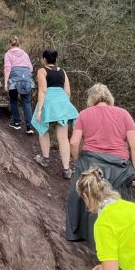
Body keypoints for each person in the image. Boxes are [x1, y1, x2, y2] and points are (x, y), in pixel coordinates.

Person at [66, 84, 135, 248]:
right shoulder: (123, 114)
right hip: (119, 168)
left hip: (91, 163)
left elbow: (73, 143)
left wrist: (80, 162)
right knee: (119, 205)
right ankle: (121, 242)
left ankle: (79, 236)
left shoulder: (84, 114)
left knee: (79, 197)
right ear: (109, 98)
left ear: (91, 99)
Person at [31, 50, 78, 178]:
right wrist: (64, 105)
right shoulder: (62, 71)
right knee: (63, 137)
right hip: (62, 102)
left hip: (49, 101)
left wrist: (40, 109)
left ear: (44, 59)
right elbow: (67, 91)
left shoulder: (42, 71)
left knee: (42, 130)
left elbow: (43, 90)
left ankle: (45, 159)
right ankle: (66, 169)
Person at [3, 37, 34, 133]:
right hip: (26, 79)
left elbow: (7, 69)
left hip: (14, 79)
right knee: (27, 102)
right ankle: (29, 127)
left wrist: (5, 83)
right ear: (18, 44)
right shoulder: (25, 54)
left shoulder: (8, 54)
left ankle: (17, 123)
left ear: (10, 45)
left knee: (13, 100)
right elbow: (31, 68)